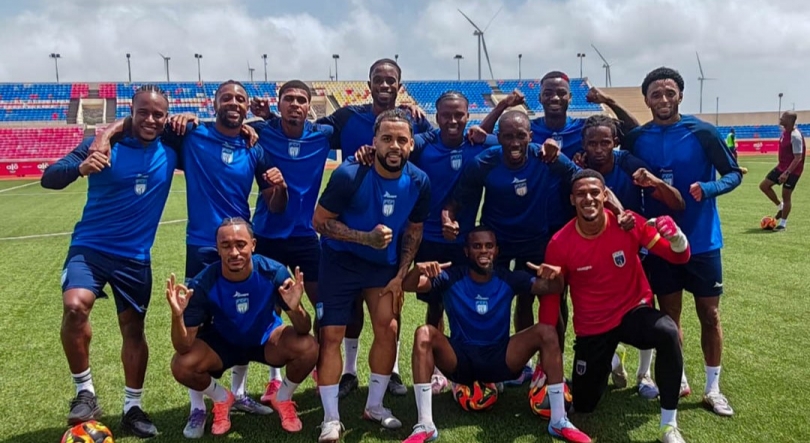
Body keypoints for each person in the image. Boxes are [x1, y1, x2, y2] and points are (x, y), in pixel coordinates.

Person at [94, 80, 288, 437]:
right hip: (201, 245)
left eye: (240, 99)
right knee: (196, 325)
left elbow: (277, 203)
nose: (233, 103)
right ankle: (199, 407)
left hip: (240, 244)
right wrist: (104, 135)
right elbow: (139, 122)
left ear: (246, 107)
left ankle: (238, 393)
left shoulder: (253, 146)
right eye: (226, 97)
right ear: (213, 103)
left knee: (242, 317)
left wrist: (279, 188)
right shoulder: (190, 135)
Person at [251, 61, 432, 396]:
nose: (384, 85)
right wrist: (266, 120)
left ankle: (390, 372)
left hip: (389, 224)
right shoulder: (347, 117)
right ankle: (344, 372)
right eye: (378, 79)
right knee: (342, 310)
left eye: (391, 80)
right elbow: (302, 127)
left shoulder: (414, 119)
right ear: (369, 83)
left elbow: (437, 137)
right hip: (345, 224)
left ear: (399, 84)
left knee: (390, 308)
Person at [475, 72, 639, 384]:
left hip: (567, 228)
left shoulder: (582, 128)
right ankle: (524, 365)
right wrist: (503, 105)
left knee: (561, 298)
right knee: (524, 297)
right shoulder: (526, 129)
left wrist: (607, 101)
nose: (554, 98)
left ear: (569, 96)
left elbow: (632, 135)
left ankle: (555, 365)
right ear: (539, 96)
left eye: (561, 93)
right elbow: (482, 137)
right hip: (529, 225)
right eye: (548, 92)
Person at [40, 85, 178, 437]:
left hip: (134, 258)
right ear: (130, 113)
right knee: (74, 307)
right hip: (91, 247)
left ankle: (133, 408)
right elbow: (49, 177)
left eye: (157, 114)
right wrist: (82, 167)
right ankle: (84, 392)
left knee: (134, 330)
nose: (150, 119)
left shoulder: (173, 146)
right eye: (142, 112)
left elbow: (214, 128)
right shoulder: (100, 147)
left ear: (166, 117)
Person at [355, 90, 498, 394]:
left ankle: (458, 363)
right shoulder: (425, 143)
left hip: (462, 240)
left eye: (459, 114)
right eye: (446, 114)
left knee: (457, 303)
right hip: (421, 238)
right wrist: (368, 151)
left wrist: (492, 123)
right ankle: (395, 369)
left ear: (468, 114)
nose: (453, 120)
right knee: (400, 297)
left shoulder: (480, 143)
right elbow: (397, 146)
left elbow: (515, 141)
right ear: (437, 114)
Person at [622, 67, 742, 417]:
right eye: (655, 94)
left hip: (702, 242)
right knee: (670, 317)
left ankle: (713, 387)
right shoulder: (637, 138)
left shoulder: (702, 131)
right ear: (646, 99)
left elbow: (733, 173)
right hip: (659, 245)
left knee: (710, 314)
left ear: (680, 96)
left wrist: (708, 189)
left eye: (669, 92)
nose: (663, 99)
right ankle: (680, 376)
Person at [399, 226, 592, 443]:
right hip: (460, 360)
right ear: (466, 251)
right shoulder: (451, 277)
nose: (484, 251)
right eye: (477, 246)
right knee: (424, 333)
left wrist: (556, 277)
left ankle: (558, 421)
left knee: (546, 331)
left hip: (501, 358)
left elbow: (552, 288)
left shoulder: (508, 278)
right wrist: (418, 270)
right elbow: (407, 285)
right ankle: (425, 424)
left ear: (497, 251)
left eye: (489, 246)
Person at [544, 169, 691, 443]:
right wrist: (546, 351)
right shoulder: (559, 243)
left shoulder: (629, 223)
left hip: (632, 312)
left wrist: (677, 238)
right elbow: (552, 300)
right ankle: (612, 357)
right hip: (594, 327)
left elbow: (678, 257)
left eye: (594, 192)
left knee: (667, 331)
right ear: (572, 200)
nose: (588, 198)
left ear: (605, 195)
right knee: (584, 406)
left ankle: (668, 425)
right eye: (581, 194)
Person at [312, 109, 430, 442]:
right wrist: (364, 237)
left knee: (388, 327)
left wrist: (401, 273)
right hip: (340, 261)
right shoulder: (350, 174)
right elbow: (319, 222)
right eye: (387, 138)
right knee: (332, 333)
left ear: (411, 145)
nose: (395, 145)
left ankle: (374, 406)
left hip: (382, 267)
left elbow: (414, 231)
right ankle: (331, 419)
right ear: (374, 141)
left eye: (402, 140)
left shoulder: (419, 181)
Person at [442, 110, 578, 384]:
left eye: (520, 136)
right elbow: (457, 199)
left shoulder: (546, 156)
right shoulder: (485, 162)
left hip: (536, 240)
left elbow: (581, 178)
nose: (514, 142)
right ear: (498, 138)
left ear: (530, 135)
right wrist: (448, 219)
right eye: (507, 136)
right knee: (498, 300)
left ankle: (552, 367)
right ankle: (513, 365)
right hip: (498, 243)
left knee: (551, 296)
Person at [167, 217, 318, 436]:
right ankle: (222, 398)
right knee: (182, 364)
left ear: (253, 245)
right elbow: (184, 346)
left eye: (241, 244)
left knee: (308, 346)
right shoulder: (202, 283)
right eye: (226, 246)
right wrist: (177, 316)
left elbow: (303, 328)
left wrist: (295, 309)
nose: (234, 253)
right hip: (223, 344)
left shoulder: (273, 272)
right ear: (217, 249)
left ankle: (283, 398)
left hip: (265, 340)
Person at [577, 114, 685, 398]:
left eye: (605, 143)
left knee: (644, 306)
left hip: (637, 244)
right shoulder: (580, 167)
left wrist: (632, 205)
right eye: (592, 143)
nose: (598, 149)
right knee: (597, 306)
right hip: (598, 250)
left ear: (615, 143)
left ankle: (644, 374)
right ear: (584, 145)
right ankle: (612, 358)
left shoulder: (629, 164)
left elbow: (671, 200)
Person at [249, 80, 334, 401]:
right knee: (268, 307)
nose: (295, 104)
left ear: (308, 106)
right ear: (280, 103)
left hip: (303, 237)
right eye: (289, 99)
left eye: (301, 100)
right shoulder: (261, 133)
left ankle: (322, 367)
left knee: (322, 305)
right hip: (267, 234)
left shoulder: (321, 135)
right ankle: (274, 378)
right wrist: (265, 117)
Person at [759, 111, 806, 231]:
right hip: (781, 166)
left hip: (793, 170)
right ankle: (780, 207)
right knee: (764, 186)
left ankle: (783, 224)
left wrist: (787, 173)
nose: (781, 119)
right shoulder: (785, 132)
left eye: (784, 117)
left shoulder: (795, 136)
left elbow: (798, 157)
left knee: (786, 195)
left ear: (790, 120)